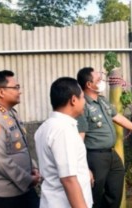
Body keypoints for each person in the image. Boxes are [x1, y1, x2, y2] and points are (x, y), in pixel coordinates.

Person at [76, 67, 132, 208]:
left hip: (111, 154)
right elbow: (79, 140)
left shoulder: (102, 100)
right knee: (94, 195)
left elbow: (118, 117)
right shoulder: (83, 105)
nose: (101, 82)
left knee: (115, 193)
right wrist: (84, 167)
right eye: (98, 80)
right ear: (88, 84)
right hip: (95, 157)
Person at [0, 70, 40, 208]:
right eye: (16, 87)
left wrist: (32, 167)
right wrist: (27, 179)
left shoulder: (9, 113)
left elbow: (21, 147)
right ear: (1, 92)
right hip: (4, 195)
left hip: (22, 190)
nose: (19, 91)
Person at [34, 77, 93, 208]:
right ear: (73, 100)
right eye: (82, 98)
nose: (85, 102)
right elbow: (68, 179)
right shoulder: (63, 130)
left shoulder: (45, 127)